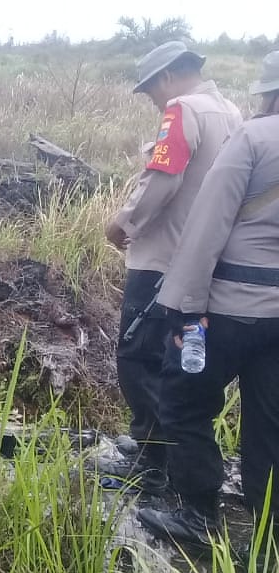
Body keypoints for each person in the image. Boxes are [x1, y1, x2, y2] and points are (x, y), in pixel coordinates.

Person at [137, 52, 279, 555]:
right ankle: (267, 538)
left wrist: (183, 307)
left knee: (183, 402)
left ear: (267, 92)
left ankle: (198, 515)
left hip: (228, 308)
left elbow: (206, 227)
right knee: (269, 423)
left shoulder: (254, 139)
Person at [104, 41, 242, 490]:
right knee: (174, 362)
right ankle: (161, 450)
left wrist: (125, 222)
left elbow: (164, 176)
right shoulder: (232, 112)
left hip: (161, 258)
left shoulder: (182, 109)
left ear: (166, 77)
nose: (152, 100)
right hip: (205, 262)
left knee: (137, 356)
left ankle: (151, 457)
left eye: (150, 90)